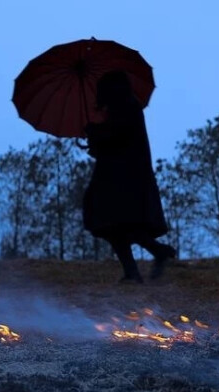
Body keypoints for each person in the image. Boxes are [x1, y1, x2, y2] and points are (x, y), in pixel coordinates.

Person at [82, 70, 176, 283]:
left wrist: (95, 132)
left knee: (120, 222)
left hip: (124, 178)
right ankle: (136, 268)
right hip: (116, 176)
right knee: (112, 223)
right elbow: (109, 143)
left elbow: (117, 138)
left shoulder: (127, 107)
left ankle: (153, 255)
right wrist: (94, 137)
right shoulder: (121, 108)